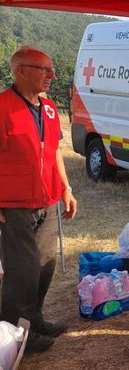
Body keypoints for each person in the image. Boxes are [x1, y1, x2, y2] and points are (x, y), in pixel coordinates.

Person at [0, 46, 77, 353]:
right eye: (43, 69)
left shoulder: (47, 108)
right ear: (20, 70)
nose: (51, 75)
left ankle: (34, 319)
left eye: (51, 69)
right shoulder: (3, 106)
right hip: (14, 204)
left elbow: (56, 150)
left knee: (45, 264)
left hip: (47, 200)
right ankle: (17, 335)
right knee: (22, 269)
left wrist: (66, 188)